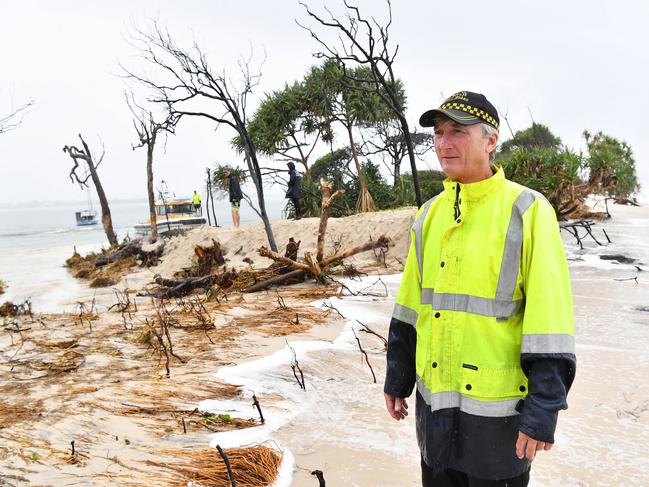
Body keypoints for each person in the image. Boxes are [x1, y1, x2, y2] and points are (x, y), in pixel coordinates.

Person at [383, 91, 576, 487]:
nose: (443, 143)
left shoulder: (528, 211)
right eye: (438, 133)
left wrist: (543, 411)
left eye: (457, 131)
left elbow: (549, 320)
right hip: (434, 412)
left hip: (498, 419)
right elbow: (409, 306)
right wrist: (398, 375)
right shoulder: (429, 215)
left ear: (491, 140)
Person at [224, 165, 242, 229]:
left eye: (226, 172)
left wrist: (233, 198)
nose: (225, 173)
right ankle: (238, 226)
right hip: (237, 196)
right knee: (236, 211)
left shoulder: (232, 178)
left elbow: (234, 189)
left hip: (236, 197)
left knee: (234, 211)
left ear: (229, 171)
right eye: (224, 172)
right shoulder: (233, 177)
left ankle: (235, 226)